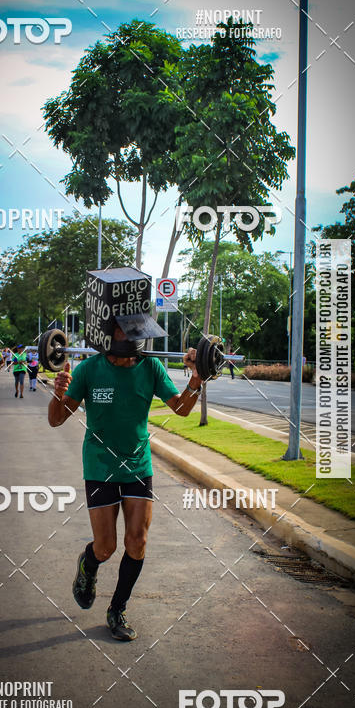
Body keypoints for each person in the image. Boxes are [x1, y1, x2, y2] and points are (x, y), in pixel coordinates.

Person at [48, 267, 206, 642]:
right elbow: (57, 420)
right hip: (100, 465)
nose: (136, 337)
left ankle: (116, 609)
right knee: (106, 547)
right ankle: (88, 564)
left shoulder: (150, 367)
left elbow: (180, 409)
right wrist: (59, 391)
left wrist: (196, 382)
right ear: (111, 334)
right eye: (128, 330)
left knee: (137, 542)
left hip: (137, 462)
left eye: (140, 330)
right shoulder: (87, 369)